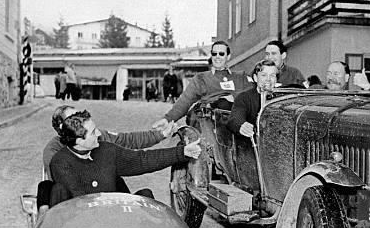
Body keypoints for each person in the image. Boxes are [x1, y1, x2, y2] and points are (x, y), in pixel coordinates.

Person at [49, 110, 202, 202]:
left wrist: (182, 152)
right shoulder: (60, 162)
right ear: (79, 141)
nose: (99, 133)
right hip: (84, 225)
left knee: (145, 195)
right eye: (93, 132)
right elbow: (79, 199)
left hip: (117, 217)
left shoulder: (106, 150)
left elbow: (143, 160)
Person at [43, 105, 175, 179]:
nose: (82, 120)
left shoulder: (99, 136)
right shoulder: (54, 153)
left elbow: (129, 140)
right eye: (74, 120)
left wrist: (160, 134)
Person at [152, 40, 252, 132]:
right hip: (210, 123)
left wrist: (232, 97)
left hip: (238, 122)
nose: (217, 56)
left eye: (221, 54)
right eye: (214, 53)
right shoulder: (201, 78)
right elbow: (185, 101)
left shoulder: (241, 77)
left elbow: (255, 94)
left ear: (228, 56)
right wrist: (168, 119)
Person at [227, 60, 278, 138]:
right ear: (255, 78)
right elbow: (235, 118)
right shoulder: (244, 97)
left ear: (276, 79)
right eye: (263, 75)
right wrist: (242, 125)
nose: (268, 79)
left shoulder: (281, 98)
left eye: (272, 75)